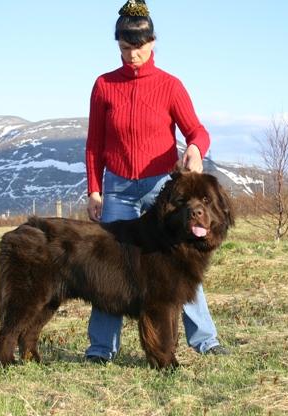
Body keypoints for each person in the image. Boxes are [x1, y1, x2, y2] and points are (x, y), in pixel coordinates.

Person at [84, 0, 229, 364]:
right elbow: (95, 145)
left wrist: (195, 149)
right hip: (117, 188)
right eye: (124, 48)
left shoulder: (169, 86)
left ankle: (205, 340)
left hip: (161, 192)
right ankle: (101, 349)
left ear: (152, 44)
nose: (132, 55)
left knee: (182, 263)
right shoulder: (103, 86)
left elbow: (197, 130)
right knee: (108, 270)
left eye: (138, 47)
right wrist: (94, 189)